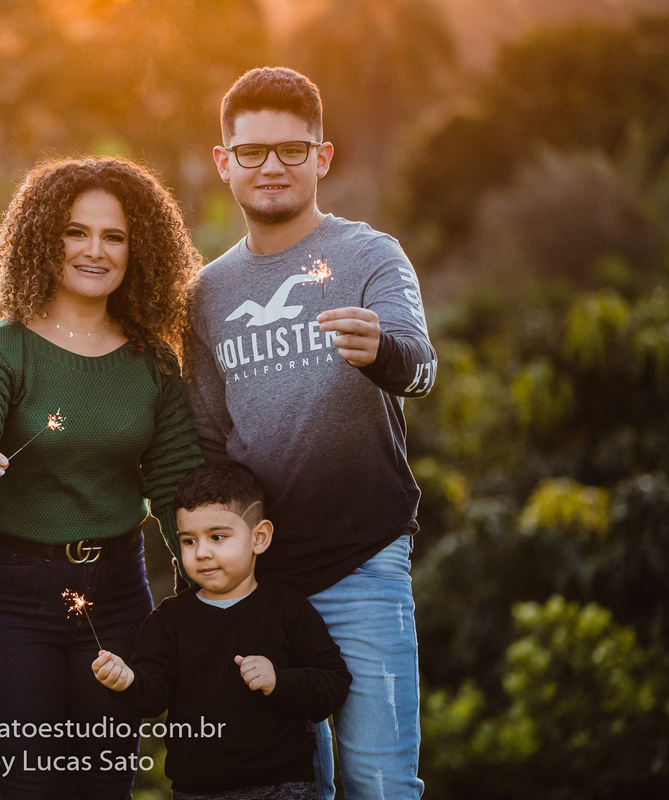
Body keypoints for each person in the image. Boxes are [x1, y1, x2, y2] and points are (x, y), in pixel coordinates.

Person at [185, 67, 437, 799]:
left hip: (364, 564)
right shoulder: (207, 293)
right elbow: (207, 439)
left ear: (321, 158)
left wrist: (380, 351)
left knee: (380, 781)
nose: (272, 167)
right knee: (286, 788)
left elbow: (421, 367)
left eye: (292, 150)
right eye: (254, 151)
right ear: (223, 162)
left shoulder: (370, 256)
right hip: (257, 584)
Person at [0, 156, 204, 799]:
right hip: (11, 595)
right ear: (42, 240)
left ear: (136, 250)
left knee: (105, 787)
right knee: (31, 787)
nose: (95, 251)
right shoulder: (2, 348)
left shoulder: (153, 362)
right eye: (75, 232)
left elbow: (176, 488)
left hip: (116, 595)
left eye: (113, 237)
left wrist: (214, 588)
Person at [93, 460, 351, 800]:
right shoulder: (169, 620)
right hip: (197, 791)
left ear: (259, 537)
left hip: (283, 786)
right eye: (188, 541)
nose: (202, 553)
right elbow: (153, 694)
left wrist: (279, 680)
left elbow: (333, 683)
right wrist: (127, 682)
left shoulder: (287, 608)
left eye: (217, 537)